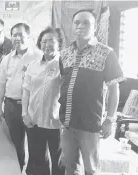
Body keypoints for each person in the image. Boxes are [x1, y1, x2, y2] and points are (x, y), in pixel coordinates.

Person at [59, 9, 125, 175]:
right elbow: (63, 85)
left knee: (91, 170)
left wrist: (110, 119)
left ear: (94, 27)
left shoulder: (106, 53)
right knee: (70, 168)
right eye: (77, 23)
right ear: (72, 27)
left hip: (90, 125)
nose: (80, 26)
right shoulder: (65, 54)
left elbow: (114, 88)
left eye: (86, 22)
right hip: (67, 123)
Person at [0, 23, 42, 172]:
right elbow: (1, 85)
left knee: (36, 144)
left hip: (33, 107)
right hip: (12, 107)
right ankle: (16, 170)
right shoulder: (7, 59)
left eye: (20, 34)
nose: (17, 38)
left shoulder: (39, 56)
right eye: (14, 34)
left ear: (28, 36)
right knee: (15, 145)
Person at [22, 27, 65, 175]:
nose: (47, 44)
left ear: (59, 43)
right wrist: (24, 114)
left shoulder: (64, 64)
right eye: (44, 41)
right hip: (34, 121)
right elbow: (26, 91)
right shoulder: (33, 65)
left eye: (51, 41)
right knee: (37, 160)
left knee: (59, 162)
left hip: (56, 122)